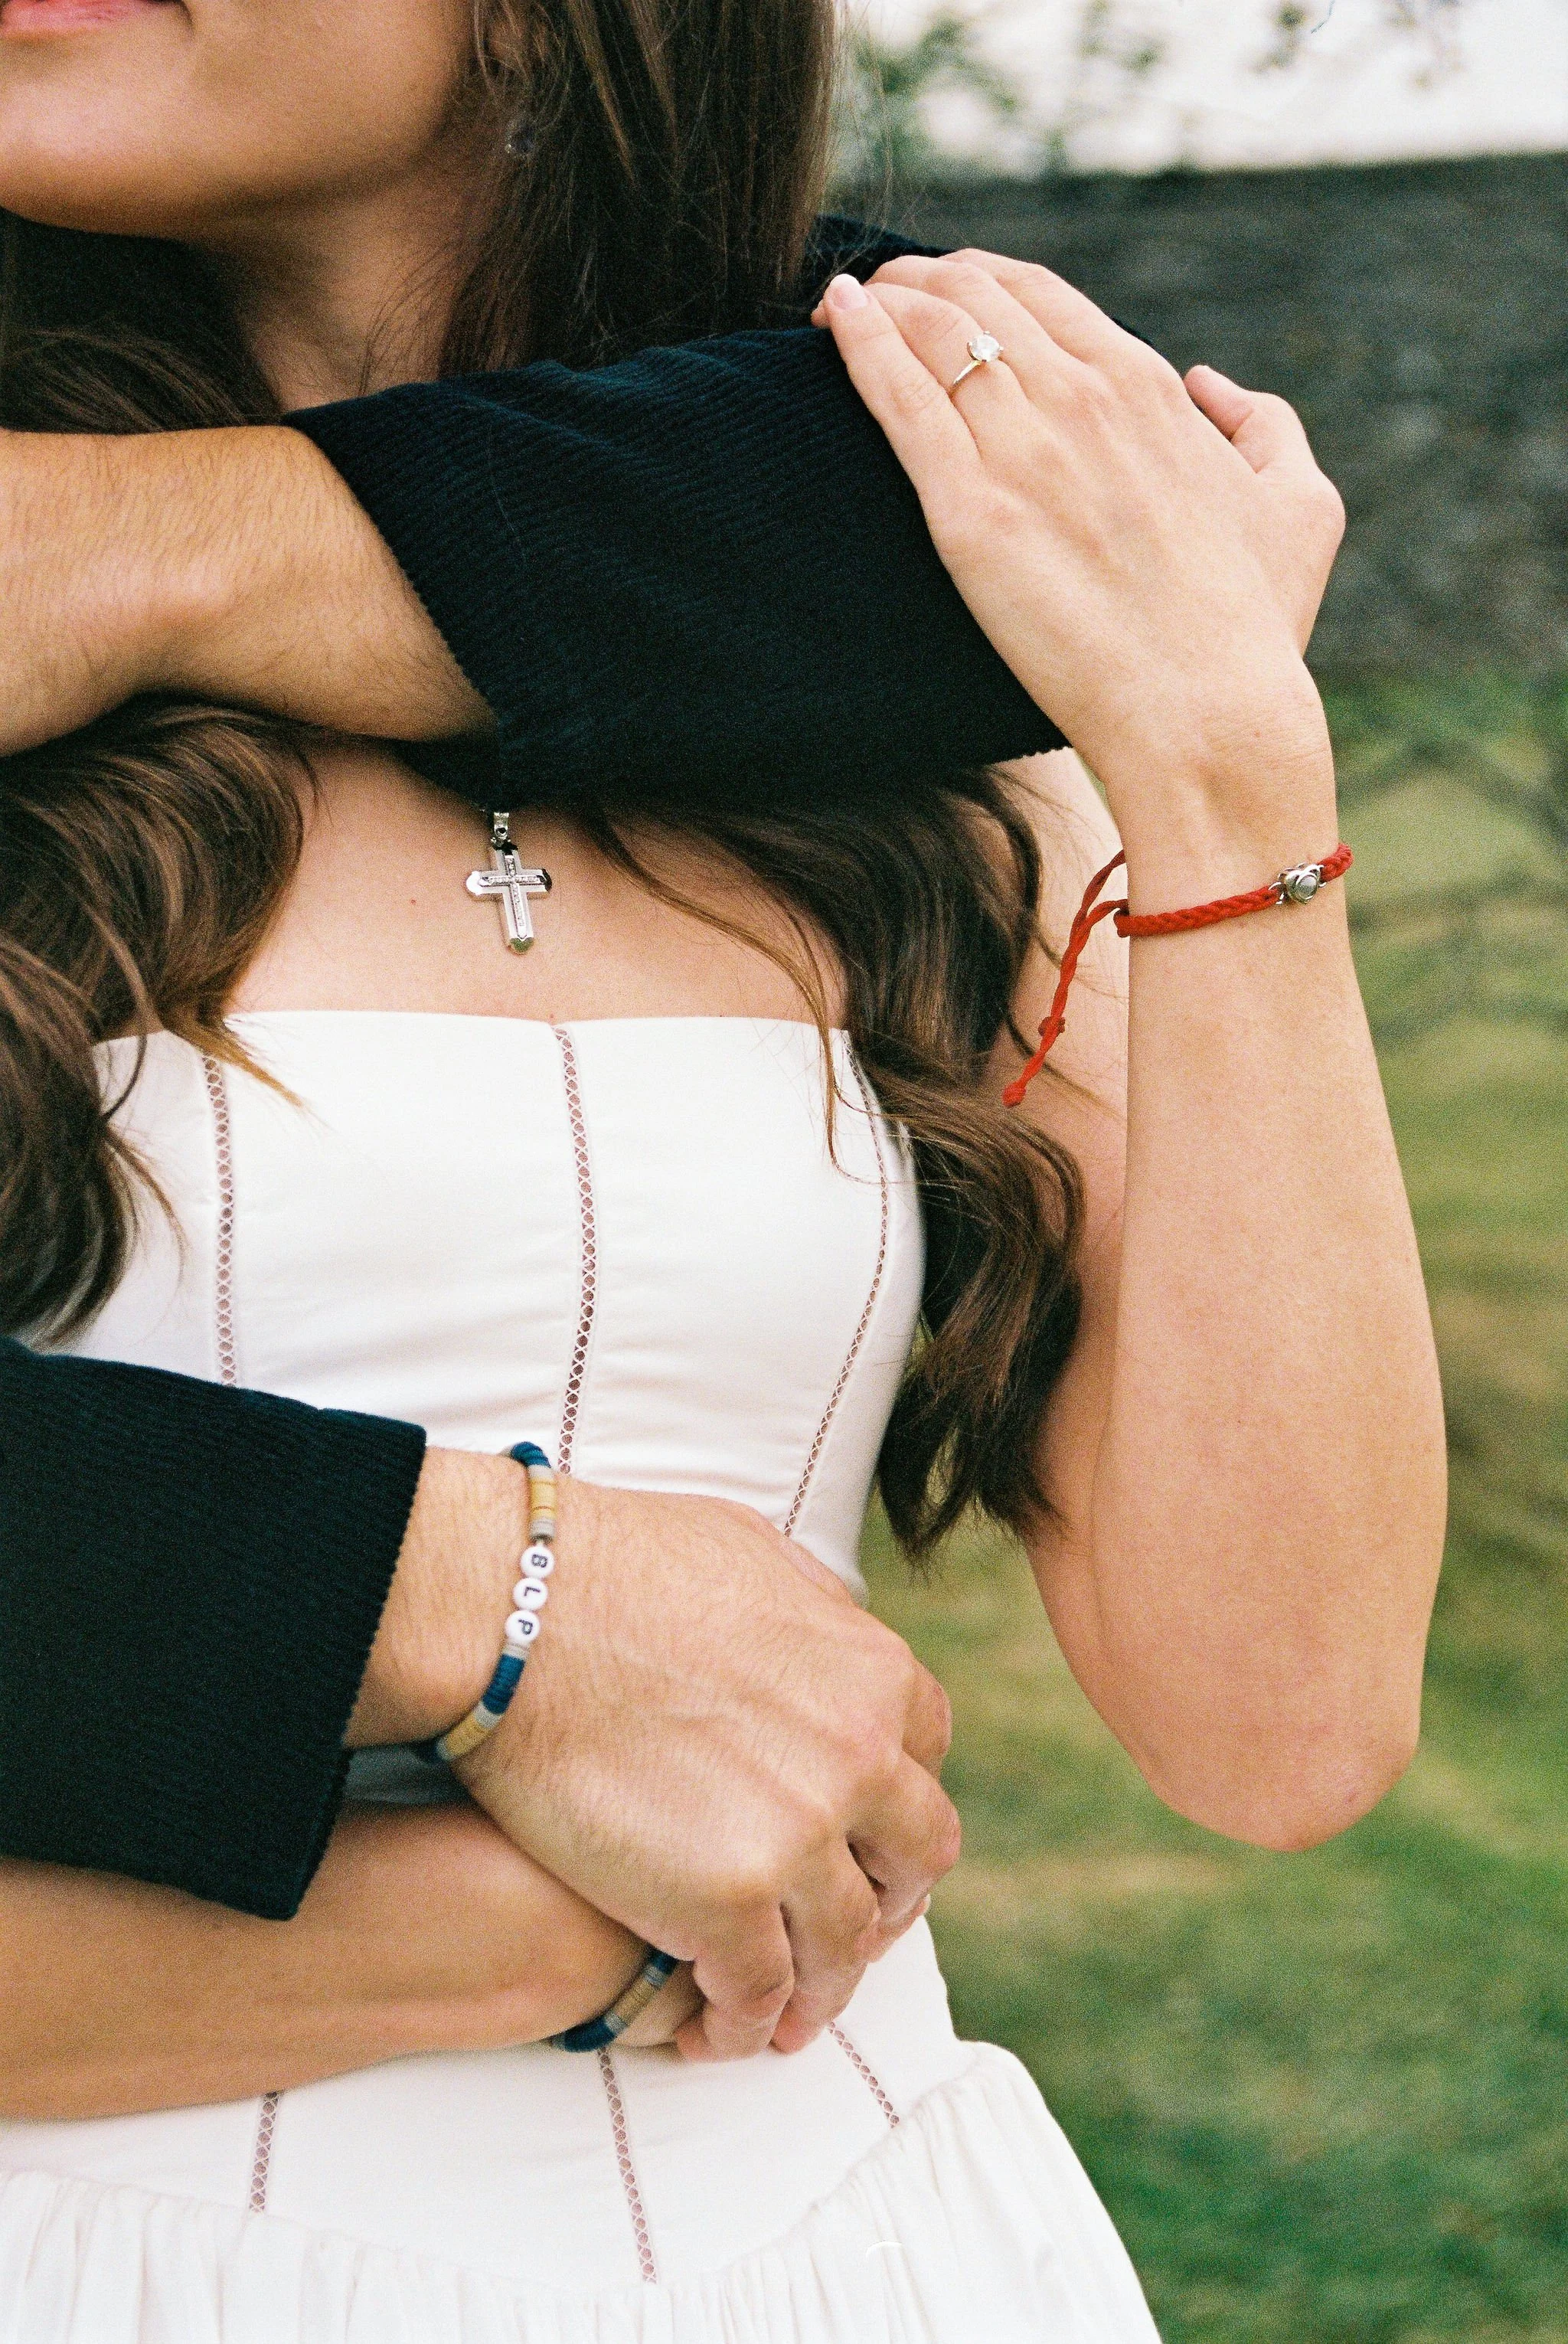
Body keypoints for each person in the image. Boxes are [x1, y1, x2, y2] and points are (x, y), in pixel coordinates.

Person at [0, 2, 1446, 2339]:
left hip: (866, 2254)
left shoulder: (889, 729)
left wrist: (1218, 777)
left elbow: (1277, 1711)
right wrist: (513, 1918)